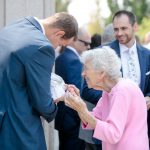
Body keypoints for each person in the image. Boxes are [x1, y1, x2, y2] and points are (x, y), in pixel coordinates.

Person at [0, 12, 78, 150]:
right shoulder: (42, 47)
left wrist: (59, 84)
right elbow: (43, 104)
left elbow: (15, 71)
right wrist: (60, 97)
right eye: (61, 44)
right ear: (59, 33)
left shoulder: (16, 25)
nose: (57, 48)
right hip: (19, 128)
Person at [82, 10, 150, 145]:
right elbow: (86, 89)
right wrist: (114, 99)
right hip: (108, 129)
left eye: (124, 28)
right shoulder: (103, 52)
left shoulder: (148, 55)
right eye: (116, 29)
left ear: (135, 27)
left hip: (137, 132)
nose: (119, 33)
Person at [64, 47, 149, 150]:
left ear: (102, 73)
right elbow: (93, 119)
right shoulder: (109, 91)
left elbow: (112, 134)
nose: (83, 74)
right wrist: (77, 103)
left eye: (86, 68)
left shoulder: (122, 91)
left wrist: (82, 109)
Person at [55, 27, 91, 150]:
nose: (88, 47)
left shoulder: (62, 57)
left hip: (64, 118)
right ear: (74, 40)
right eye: (86, 43)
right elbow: (76, 92)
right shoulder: (74, 60)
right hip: (72, 120)